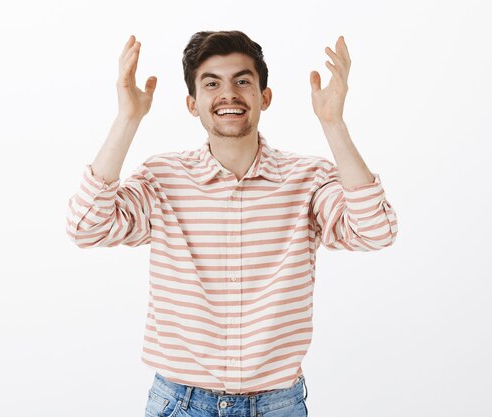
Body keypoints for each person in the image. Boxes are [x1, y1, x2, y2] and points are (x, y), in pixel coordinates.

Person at [66, 30, 398, 417]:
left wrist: (333, 123)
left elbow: (376, 232)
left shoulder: (308, 178)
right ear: (193, 104)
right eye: (212, 84)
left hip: (278, 404)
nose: (229, 94)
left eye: (243, 81)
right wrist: (128, 118)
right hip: (181, 403)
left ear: (264, 97)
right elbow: (86, 226)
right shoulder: (163, 178)